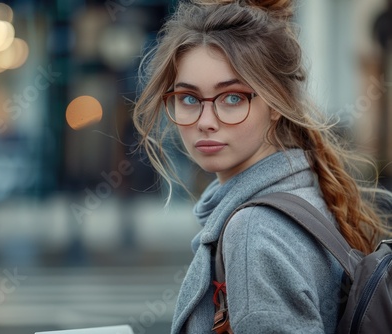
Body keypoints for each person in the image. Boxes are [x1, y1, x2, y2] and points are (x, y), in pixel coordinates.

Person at [132, 0, 392, 333]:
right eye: (189, 99)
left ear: (275, 104)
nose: (206, 121)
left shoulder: (253, 230)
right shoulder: (306, 190)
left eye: (232, 98)